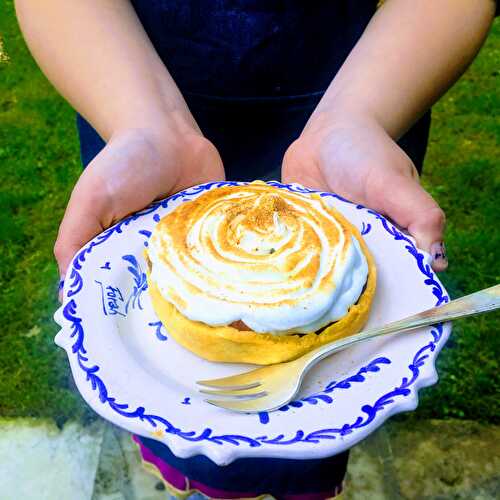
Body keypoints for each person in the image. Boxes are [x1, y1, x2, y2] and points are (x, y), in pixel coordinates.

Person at [16, 0, 497, 498]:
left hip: (370, 88)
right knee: (174, 417)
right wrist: (144, 124)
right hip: (124, 90)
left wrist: (359, 118)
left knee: (328, 406)